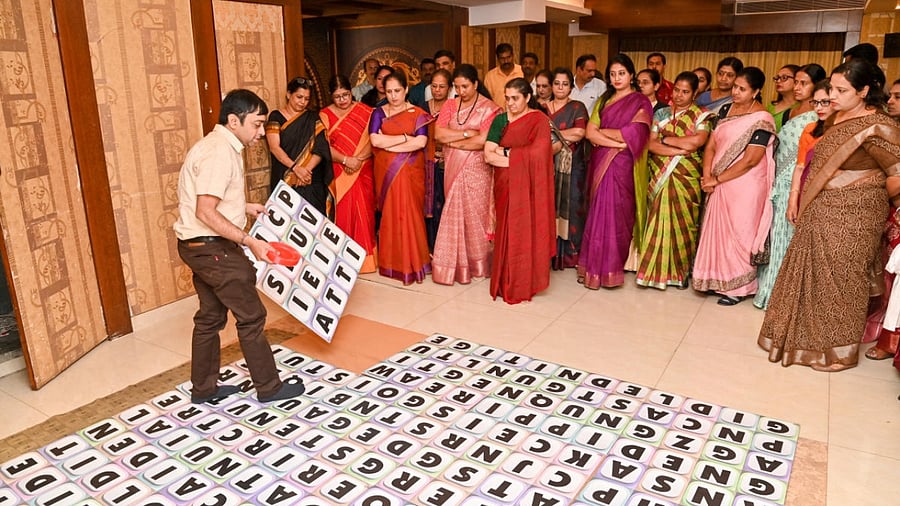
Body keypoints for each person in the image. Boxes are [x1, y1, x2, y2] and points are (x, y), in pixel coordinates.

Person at [759, 59, 900, 372]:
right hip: (821, 209)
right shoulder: (837, 117)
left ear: (863, 91)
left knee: (844, 281)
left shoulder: (880, 126)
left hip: (857, 214)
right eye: (832, 88)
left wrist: (865, 191)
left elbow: (897, 173)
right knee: (816, 278)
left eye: (841, 90)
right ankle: (806, 342)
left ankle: (839, 353)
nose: (832, 95)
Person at [174, 89, 305, 404]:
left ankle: (204, 389)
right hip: (212, 248)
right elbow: (205, 211)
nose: (261, 132)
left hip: (196, 245)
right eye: (257, 124)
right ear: (234, 121)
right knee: (252, 315)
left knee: (210, 317)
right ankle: (269, 387)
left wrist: (242, 207)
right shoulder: (219, 152)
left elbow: (206, 198)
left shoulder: (216, 145)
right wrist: (250, 241)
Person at [692, 67, 777, 305]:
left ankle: (738, 288)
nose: (736, 92)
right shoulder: (725, 110)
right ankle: (714, 279)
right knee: (716, 231)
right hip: (718, 180)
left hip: (746, 184)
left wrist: (717, 179)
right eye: (735, 87)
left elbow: (751, 159)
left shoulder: (762, 118)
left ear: (756, 92)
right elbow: (711, 145)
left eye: (742, 89)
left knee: (740, 232)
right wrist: (707, 175)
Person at [754, 63, 827, 309]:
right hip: (779, 180)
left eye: (803, 83)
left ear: (817, 86)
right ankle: (768, 289)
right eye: (796, 82)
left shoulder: (818, 117)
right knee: (775, 235)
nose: (797, 87)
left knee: (788, 237)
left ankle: (781, 296)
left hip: (795, 183)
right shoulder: (792, 112)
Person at [578, 53, 652, 289]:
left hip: (623, 166)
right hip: (602, 161)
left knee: (618, 215)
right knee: (598, 213)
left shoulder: (640, 102)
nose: (617, 78)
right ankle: (593, 268)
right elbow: (590, 132)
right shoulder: (604, 100)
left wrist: (606, 134)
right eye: (612, 74)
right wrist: (617, 142)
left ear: (631, 75)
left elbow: (635, 134)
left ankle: (611, 268)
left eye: (622, 73)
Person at [636, 71, 713, 289]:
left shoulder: (702, 115)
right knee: (656, 219)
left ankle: (679, 273)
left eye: (685, 92)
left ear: (695, 93)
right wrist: (677, 149)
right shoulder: (661, 113)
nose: (679, 95)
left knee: (683, 224)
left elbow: (696, 142)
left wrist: (666, 139)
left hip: (685, 178)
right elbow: (650, 144)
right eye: (677, 90)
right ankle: (652, 273)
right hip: (659, 173)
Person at [484, 77, 555, 304]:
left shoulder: (538, 120)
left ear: (527, 97)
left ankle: (525, 281)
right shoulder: (500, 120)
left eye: (515, 98)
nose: (510, 103)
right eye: (507, 98)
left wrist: (506, 153)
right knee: (506, 228)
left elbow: (540, 154)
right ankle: (505, 278)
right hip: (505, 183)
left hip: (529, 186)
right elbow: (488, 155)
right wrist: (518, 160)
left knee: (526, 228)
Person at [432, 65, 501, 285]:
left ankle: (478, 263)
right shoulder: (450, 105)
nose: (461, 91)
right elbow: (438, 134)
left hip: (477, 169)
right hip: (453, 167)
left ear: (476, 84)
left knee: (475, 216)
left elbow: (483, 140)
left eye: (465, 86)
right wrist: (464, 134)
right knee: (453, 212)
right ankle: (454, 266)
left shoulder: (489, 108)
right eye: (457, 87)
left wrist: (454, 143)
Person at [369, 71, 432, 284]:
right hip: (386, 172)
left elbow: (420, 143)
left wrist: (391, 145)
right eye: (389, 92)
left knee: (410, 213)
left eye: (397, 91)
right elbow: (375, 141)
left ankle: (414, 263)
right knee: (391, 214)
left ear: (406, 89)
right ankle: (393, 264)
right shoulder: (378, 112)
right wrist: (406, 138)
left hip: (411, 171)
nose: (393, 96)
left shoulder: (418, 113)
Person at [320, 75, 377, 274]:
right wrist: (346, 160)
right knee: (343, 213)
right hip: (339, 169)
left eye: (345, 95)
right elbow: (323, 147)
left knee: (365, 214)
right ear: (331, 96)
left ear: (351, 91)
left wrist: (357, 160)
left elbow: (373, 139)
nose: (343, 100)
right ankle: (344, 260)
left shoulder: (366, 111)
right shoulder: (325, 115)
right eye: (337, 97)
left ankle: (367, 261)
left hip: (363, 168)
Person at [266, 76, 332, 215]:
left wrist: (305, 171)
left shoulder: (313, 118)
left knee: (313, 219)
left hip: (310, 179)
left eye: (307, 99)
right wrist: (296, 168)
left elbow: (321, 148)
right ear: (288, 94)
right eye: (299, 97)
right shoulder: (276, 116)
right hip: (286, 177)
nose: (303, 102)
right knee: (287, 219)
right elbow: (274, 147)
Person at [545, 67, 589, 270]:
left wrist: (552, 135)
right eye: (557, 83)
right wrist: (564, 136)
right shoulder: (541, 108)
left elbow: (580, 132)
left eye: (565, 84)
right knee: (547, 206)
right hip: (545, 165)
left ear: (571, 87)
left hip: (573, 168)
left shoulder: (577, 107)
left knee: (572, 207)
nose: (560, 88)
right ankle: (548, 253)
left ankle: (570, 256)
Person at [424, 69, 452, 250]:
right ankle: (429, 247)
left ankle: (444, 248)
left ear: (449, 88)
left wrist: (444, 153)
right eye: (434, 86)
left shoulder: (454, 108)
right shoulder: (422, 107)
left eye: (442, 87)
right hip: (425, 163)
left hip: (446, 164)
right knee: (427, 207)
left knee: (444, 205)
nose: (437, 90)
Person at [483, 43, 524, 109]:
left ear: (513, 56)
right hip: (498, 114)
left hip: (519, 113)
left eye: (508, 57)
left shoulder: (522, 72)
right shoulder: (490, 76)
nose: (506, 61)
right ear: (498, 59)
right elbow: (487, 100)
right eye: (502, 58)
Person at [767, 64, 800, 132]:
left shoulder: (801, 108)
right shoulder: (770, 107)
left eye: (784, 78)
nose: (778, 81)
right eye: (777, 78)